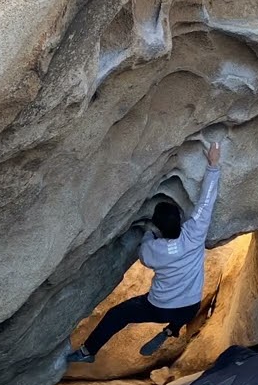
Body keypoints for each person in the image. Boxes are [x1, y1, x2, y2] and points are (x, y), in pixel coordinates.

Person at [66, 142, 222, 363]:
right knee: (184, 308)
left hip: (159, 308)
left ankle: (88, 352)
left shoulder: (153, 250)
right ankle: (171, 330)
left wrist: (149, 232)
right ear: (180, 220)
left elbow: (143, 249)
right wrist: (213, 165)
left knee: (117, 315)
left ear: (158, 227)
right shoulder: (194, 234)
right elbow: (207, 202)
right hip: (189, 308)